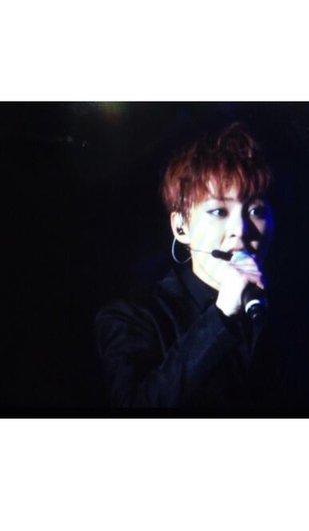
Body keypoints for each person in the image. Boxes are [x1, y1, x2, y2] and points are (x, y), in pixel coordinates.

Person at [95, 123, 280, 410]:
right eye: (218, 211)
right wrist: (221, 316)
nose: (241, 230)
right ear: (181, 226)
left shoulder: (297, 308)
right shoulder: (133, 316)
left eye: (255, 210)